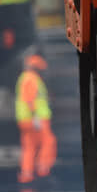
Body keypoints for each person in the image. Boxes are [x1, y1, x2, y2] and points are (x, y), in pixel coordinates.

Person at [15, 54, 57, 184]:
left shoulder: (24, 78)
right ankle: (43, 168)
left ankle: (26, 174)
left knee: (29, 147)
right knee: (48, 141)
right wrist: (36, 117)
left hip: (26, 119)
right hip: (36, 118)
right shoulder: (31, 79)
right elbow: (30, 100)